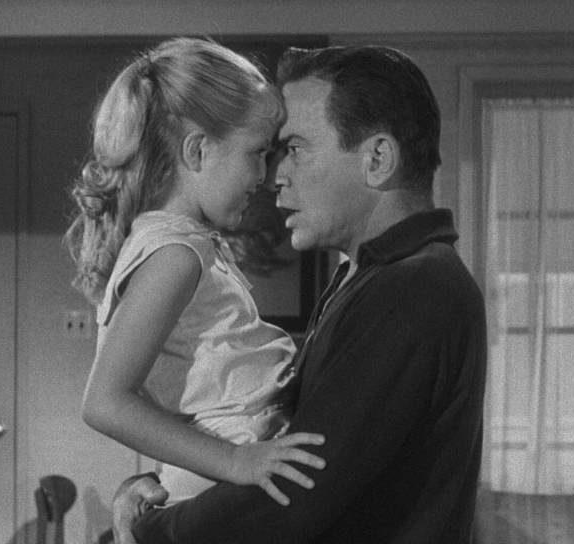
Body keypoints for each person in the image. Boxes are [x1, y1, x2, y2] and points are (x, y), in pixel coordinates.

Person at [122, 44, 489, 543]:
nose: (277, 177)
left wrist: (150, 529)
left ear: (378, 159)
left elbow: (296, 491)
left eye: (295, 148)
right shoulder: (368, 277)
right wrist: (163, 489)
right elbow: (278, 446)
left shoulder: (415, 287)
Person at [63, 37, 328, 542]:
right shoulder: (176, 255)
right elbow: (104, 402)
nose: (265, 176)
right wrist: (235, 461)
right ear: (198, 150)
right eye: (257, 153)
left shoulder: (180, 245)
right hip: (224, 484)